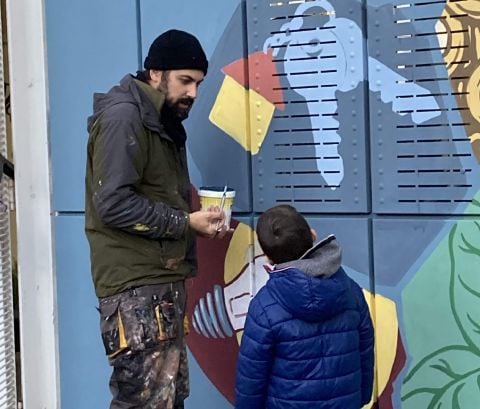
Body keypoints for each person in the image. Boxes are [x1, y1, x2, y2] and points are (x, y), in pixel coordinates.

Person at [85, 29, 227, 409]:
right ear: (155, 73)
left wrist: (198, 218)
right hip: (137, 292)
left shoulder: (157, 117)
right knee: (145, 403)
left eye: (198, 83)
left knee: (166, 402)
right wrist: (186, 223)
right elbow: (112, 203)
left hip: (158, 287)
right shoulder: (124, 117)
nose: (193, 93)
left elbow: (151, 193)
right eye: (185, 81)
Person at [235, 205, 374, 409]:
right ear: (312, 235)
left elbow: (252, 376)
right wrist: (361, 397)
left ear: (268, 257)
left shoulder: (264, 307)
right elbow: (365, 351)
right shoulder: (351, 291)